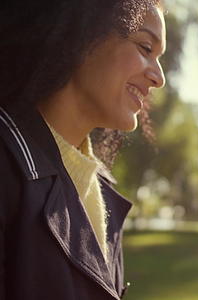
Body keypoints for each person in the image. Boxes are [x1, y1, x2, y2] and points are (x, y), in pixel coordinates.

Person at [0, 0, 165, 299]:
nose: (159, 77)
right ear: (84, 32)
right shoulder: (7, 168)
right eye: (145, 48)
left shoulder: (101, 192)